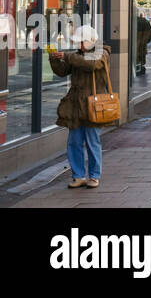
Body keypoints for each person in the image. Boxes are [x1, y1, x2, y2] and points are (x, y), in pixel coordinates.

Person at [50, 25, 111, 189]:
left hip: (93, 106)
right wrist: (54, 58)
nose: (79, 46)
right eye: (78, 43)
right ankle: (78, 176)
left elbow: (91, 64)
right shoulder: (76, 56)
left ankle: (94, 176)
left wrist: (67, 56)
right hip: (76, 106)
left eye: (81, 42)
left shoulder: (102, 53)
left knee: (92, 142)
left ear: (91, 40)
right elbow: (63, 71)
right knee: (74, 142)